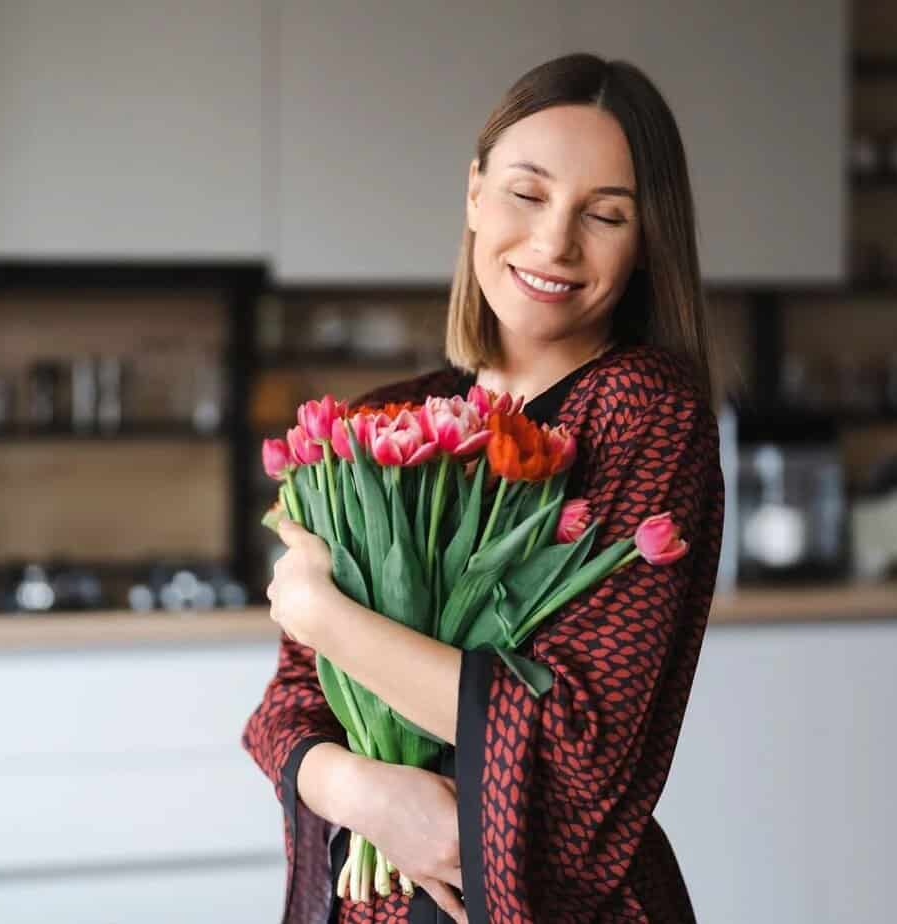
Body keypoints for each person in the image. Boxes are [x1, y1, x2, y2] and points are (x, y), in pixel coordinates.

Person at [242, 52, 725, 924]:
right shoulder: (387, 423)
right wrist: (368, 794)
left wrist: (329, 620)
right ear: (473, 193)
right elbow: (286, 709)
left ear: (645, 240)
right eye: (526, 194)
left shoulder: (643, 411)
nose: (553, 243)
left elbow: (582, 735)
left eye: (604, 215)